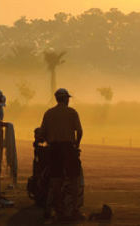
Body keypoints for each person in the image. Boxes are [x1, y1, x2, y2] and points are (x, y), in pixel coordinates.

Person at [39, 88, 84, 220]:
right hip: (69, 148)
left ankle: (59, 211)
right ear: (66, 99)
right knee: (74, 179)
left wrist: (49, 141)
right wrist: (77, 144)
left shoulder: (49, 113)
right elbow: (79, 131)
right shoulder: (72, 112)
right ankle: (75, 209)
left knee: (56, 180)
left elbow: (42, 133)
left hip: (54, 149)